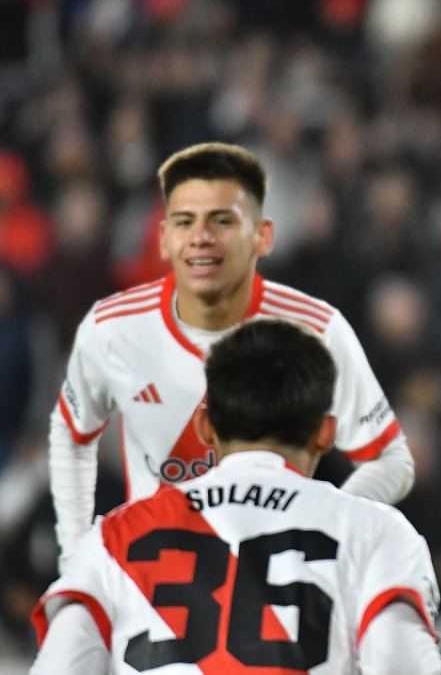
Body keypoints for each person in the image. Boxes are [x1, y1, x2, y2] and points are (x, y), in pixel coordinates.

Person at [48, 142, 413, 570]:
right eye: (186, 222)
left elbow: (392, 460)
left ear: (263, 235)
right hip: (158, 593)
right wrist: (76, 556)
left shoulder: (317, 327)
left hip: (275, 588)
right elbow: (71, 438)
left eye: (223, 220)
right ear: (164, 237)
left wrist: (323, 518)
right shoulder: (112, 330)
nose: (202, 238)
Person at [30, 318, 441, 674]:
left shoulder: (114, 537)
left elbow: (62, 666)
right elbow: (398, 662)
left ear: (205, 426)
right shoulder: (376, 532)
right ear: (326, 433)